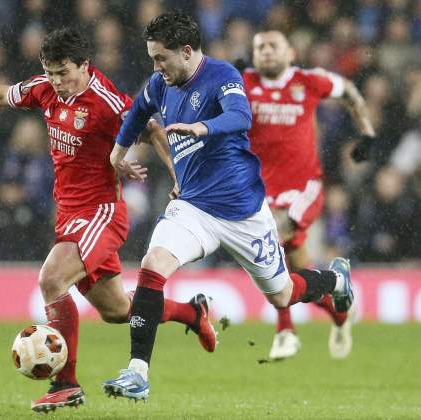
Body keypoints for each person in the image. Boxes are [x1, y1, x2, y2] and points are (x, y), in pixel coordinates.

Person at [0, 28, 216, 413]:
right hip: (68, 215)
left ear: (85, 65)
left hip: (101, 213)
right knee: (117, 311)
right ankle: (191, 312)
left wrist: (178, 178)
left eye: (64, 73)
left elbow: (150, 129)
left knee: (51, 279)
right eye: (50, 73)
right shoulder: (46, 89)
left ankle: (66, 383)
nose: (57, 82)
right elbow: (0, 94)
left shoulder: (106, 101)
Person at [102, 11, 354, 401]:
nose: (156, 67)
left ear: (186, 52)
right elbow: (137, 113)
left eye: (161, 58)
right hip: (193, 208)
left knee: (283, 294)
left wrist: (202, 127)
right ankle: (137, 372)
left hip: (244, 214)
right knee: (152, 269)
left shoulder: (223, 76)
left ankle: (336, 280)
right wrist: (117, 156)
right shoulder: (159, 84)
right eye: (152, 58)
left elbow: (240, 116)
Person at [243, 30, 376, 360]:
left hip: (304, 187)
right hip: (261, 191)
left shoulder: (310, 80)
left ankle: (285, 330)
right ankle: (340, 312)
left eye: (273, 46)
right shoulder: (241, 83)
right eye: (260, 48)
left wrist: (367, 132)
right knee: (297, 274)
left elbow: (349, 92)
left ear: (290, 52)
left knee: (269, 241)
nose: (266, 52)